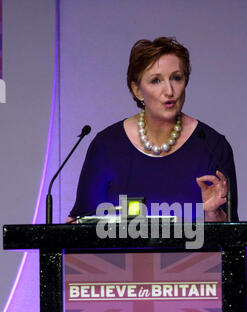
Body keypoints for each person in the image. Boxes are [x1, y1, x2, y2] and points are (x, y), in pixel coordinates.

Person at [67, 37, 238, 223]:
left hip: (196, 252)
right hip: (118, 253)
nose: (170, 91)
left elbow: (233, 240)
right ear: (137, 90)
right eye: (156, 80)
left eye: (176, 78)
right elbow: (79, 224)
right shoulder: (107, 146)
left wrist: (212, 214)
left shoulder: (212, 145)